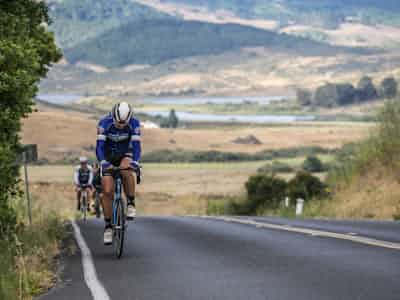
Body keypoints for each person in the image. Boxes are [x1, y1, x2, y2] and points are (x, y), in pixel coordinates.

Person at [96, 101, 141, 245]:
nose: (121, 126)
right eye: (118, 123)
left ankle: (131, 203)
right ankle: (108, 226)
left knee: (127, 171)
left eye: (123, 124)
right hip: (108, 156)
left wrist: (135, 162)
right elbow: (99, 147)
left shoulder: (134, 124)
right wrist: (103, 162)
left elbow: (137, 147)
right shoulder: (104, 123)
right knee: (107, 190)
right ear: (113, 116)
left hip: (124, 154)